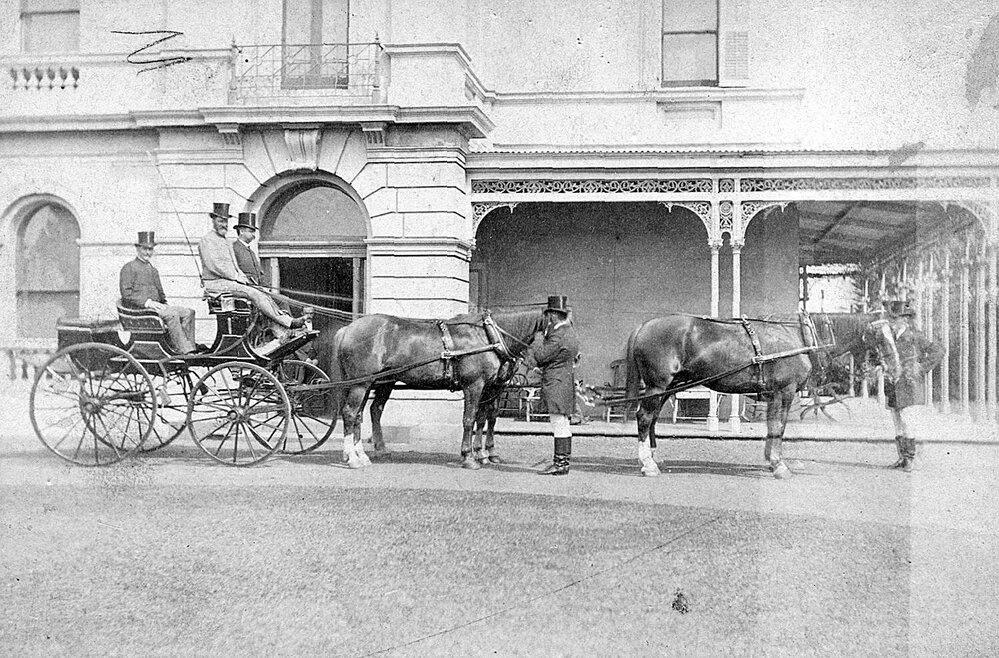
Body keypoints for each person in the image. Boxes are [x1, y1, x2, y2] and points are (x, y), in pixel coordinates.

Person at [198, 203, 306, 342]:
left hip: (229, 283)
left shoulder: (226, 241)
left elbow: (235, 265)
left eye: (225, 221)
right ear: (213, 221)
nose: (224, 224)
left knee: (261, 294)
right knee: (254, 293)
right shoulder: (207, 240)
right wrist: (236, 277)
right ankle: (288, 323)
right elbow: (214, 266)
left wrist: (241, 276)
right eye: (220, 221)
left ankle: (282, 331)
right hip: (216, 284)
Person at [884, 301, 945, 472]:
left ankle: (910, 459)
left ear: (905, 319)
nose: (891, 322)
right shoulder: (888, 337)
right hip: (893, 384)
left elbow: (938, 350)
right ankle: (902, 458)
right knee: (897, 422)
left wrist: (922, 367)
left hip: (909, 385)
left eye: (895, 319)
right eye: (890, 318)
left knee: (907, 420)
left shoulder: (915, 336)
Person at [525, 295, 581, 475]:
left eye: (548, 315)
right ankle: (562, 463)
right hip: (563, 381)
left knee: (558, 423)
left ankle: (560, 465)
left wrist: (537, 339)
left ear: (554, 316)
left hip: (555, 384)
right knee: (563, 423)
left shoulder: (558, 335)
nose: (547, 319)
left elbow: (541, 356)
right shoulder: (569, 331)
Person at [119, 231, 199, 354]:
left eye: (150, 249)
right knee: (172, 315)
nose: (148, 252)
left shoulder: (153, 270)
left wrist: (165, 305)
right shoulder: (129, 268)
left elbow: (161, 294)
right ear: (138, 248)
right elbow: (126, 294)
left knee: (188, 312)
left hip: (157, 308)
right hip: (140, 310)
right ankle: (183, 349)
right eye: (145, 249)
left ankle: (188, 346)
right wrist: (148, 303)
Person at [232, 212, 265, 286]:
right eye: (251, 232)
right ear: (241, 231)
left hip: (256, 288)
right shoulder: (233, 248)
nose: (254, 235)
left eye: (254, 232)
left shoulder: (252, 252)